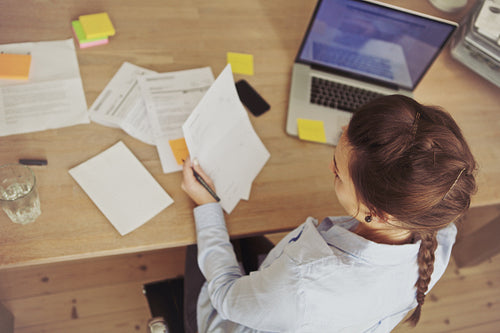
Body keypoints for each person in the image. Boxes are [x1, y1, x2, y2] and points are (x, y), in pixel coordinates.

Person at [181, 94, 477, 332]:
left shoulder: (299, 285)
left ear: (376, 212)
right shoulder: (438, 224)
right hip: (283, 302)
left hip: (233, 316)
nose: (329, 168)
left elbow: (224, 295)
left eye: (338, 173)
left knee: (190, 237)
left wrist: (208, 207)